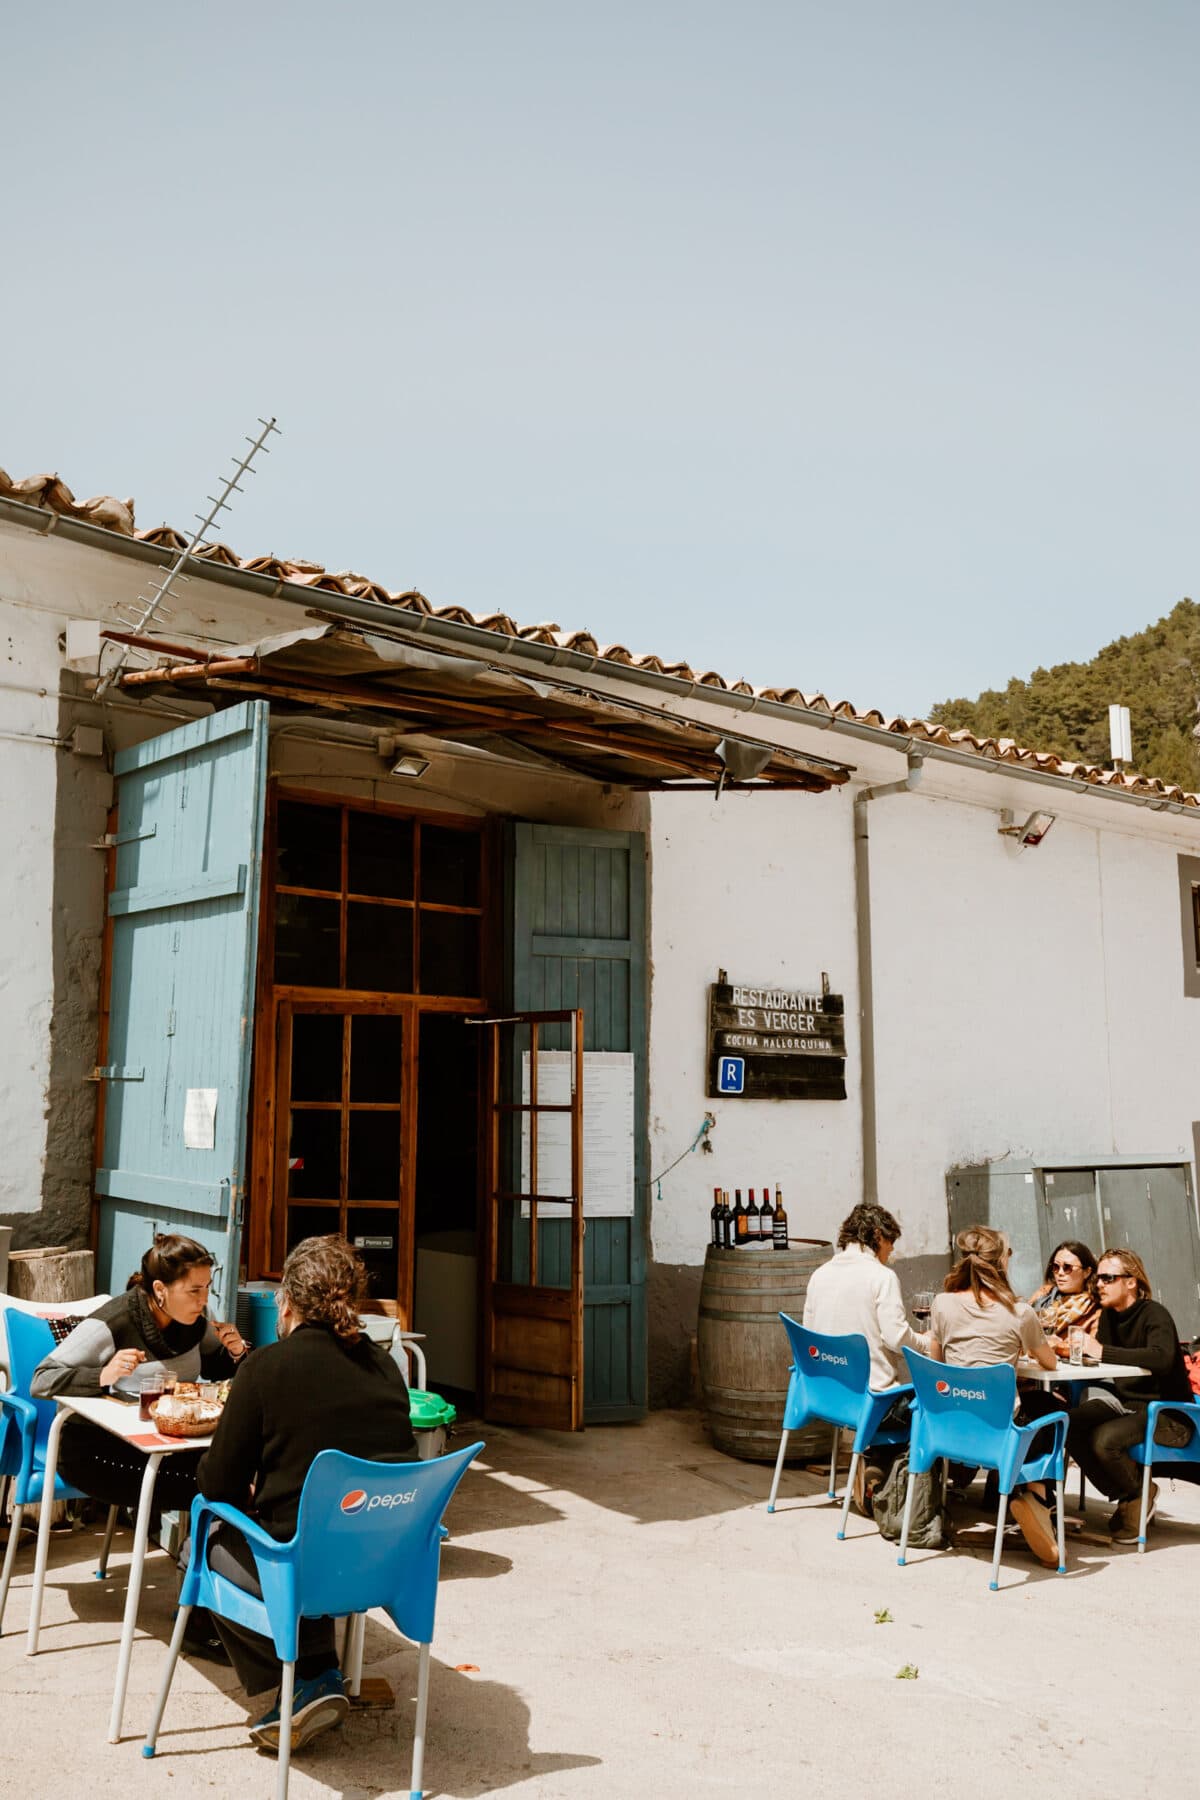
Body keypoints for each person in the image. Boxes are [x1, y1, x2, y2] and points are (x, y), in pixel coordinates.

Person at [187, 1234, 417, 1755]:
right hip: (386, 1562)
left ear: (285, 1302)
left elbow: (218, 1484)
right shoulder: (386, 1368)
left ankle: (307, 1677)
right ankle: (320, 1674)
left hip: (307, 1572)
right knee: (304, 1530)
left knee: (209, 1537)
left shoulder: (265, 1369)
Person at [31, 1232, 248, 1519]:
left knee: (237, 1469)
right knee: (222, 1489)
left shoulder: (195, 1320)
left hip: (161, 1447)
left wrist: (236, 1353)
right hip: (94, 1454)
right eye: (194, 1290)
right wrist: (102, 1375)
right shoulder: (115, 1321)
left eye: (207, 1287)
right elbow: (41, 1379)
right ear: (160, 1289)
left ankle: (204, 1556)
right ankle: (202, 1558)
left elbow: (214, 1367)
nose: (203, 1299)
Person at [929, 1226, 1059, 1564]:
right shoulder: (1020, 1313)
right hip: (1000, 1431)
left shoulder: (941, 1304)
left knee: (1037, 1407)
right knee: (1052, 1409)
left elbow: (935, 1366)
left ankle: (1019, 1496)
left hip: (951, 1425)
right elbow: (1049, 1363)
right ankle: (1037, 1497)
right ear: (1001, 1261)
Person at [803, 1203, 930, 1513]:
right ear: (877, 1236)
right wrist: (925, 1343)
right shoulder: (881, 1277)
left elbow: (809, 1333)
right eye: (890, 1244)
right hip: (873, 1404)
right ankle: (897, 1488)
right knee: (930, 1404)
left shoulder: (819, 1274)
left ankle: (873, 1470)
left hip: (826, 1397)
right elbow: (896, 1338)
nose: (891, 1253)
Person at [1064, 1246, 1193, 1542]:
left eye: (1108, 1278)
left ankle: (1137, 1496)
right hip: (1128, 1405)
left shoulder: (1155, 1314)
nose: (1099, 1285)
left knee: (1104, 1439)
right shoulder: (1109, 1317)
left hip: (1169, 1414)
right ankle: (1132, 1493)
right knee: (1066, 1423)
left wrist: (1101, 1351)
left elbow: (1161, 1358)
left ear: (1131, 1281)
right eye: (1097, 1279)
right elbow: (1105, 1359)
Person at [1030, 1240, 1100, 1338]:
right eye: (1056, 1267)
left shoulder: (1093, 1307)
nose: (1060, 1273)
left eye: (1067, 1267)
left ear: (1086, 1272)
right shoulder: (1044, 1294)